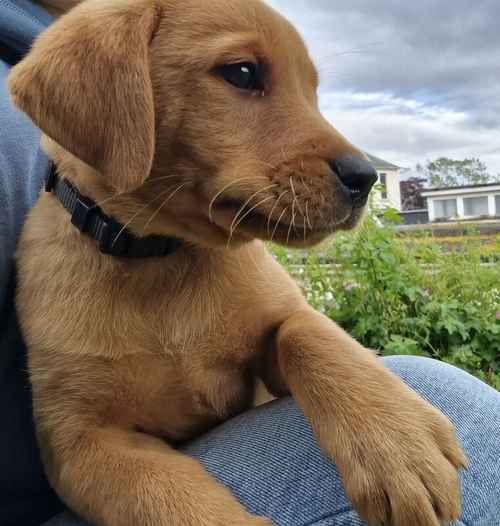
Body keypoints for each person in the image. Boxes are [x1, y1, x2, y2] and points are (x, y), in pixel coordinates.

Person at [1, 1, 499, 525]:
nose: (350, 160)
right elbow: (81, 447)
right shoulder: (52, 270)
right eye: (244, 75)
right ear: (109, 103)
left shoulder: (223, 238)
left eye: (308, 96)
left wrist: (337, 376)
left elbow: (286, 324)